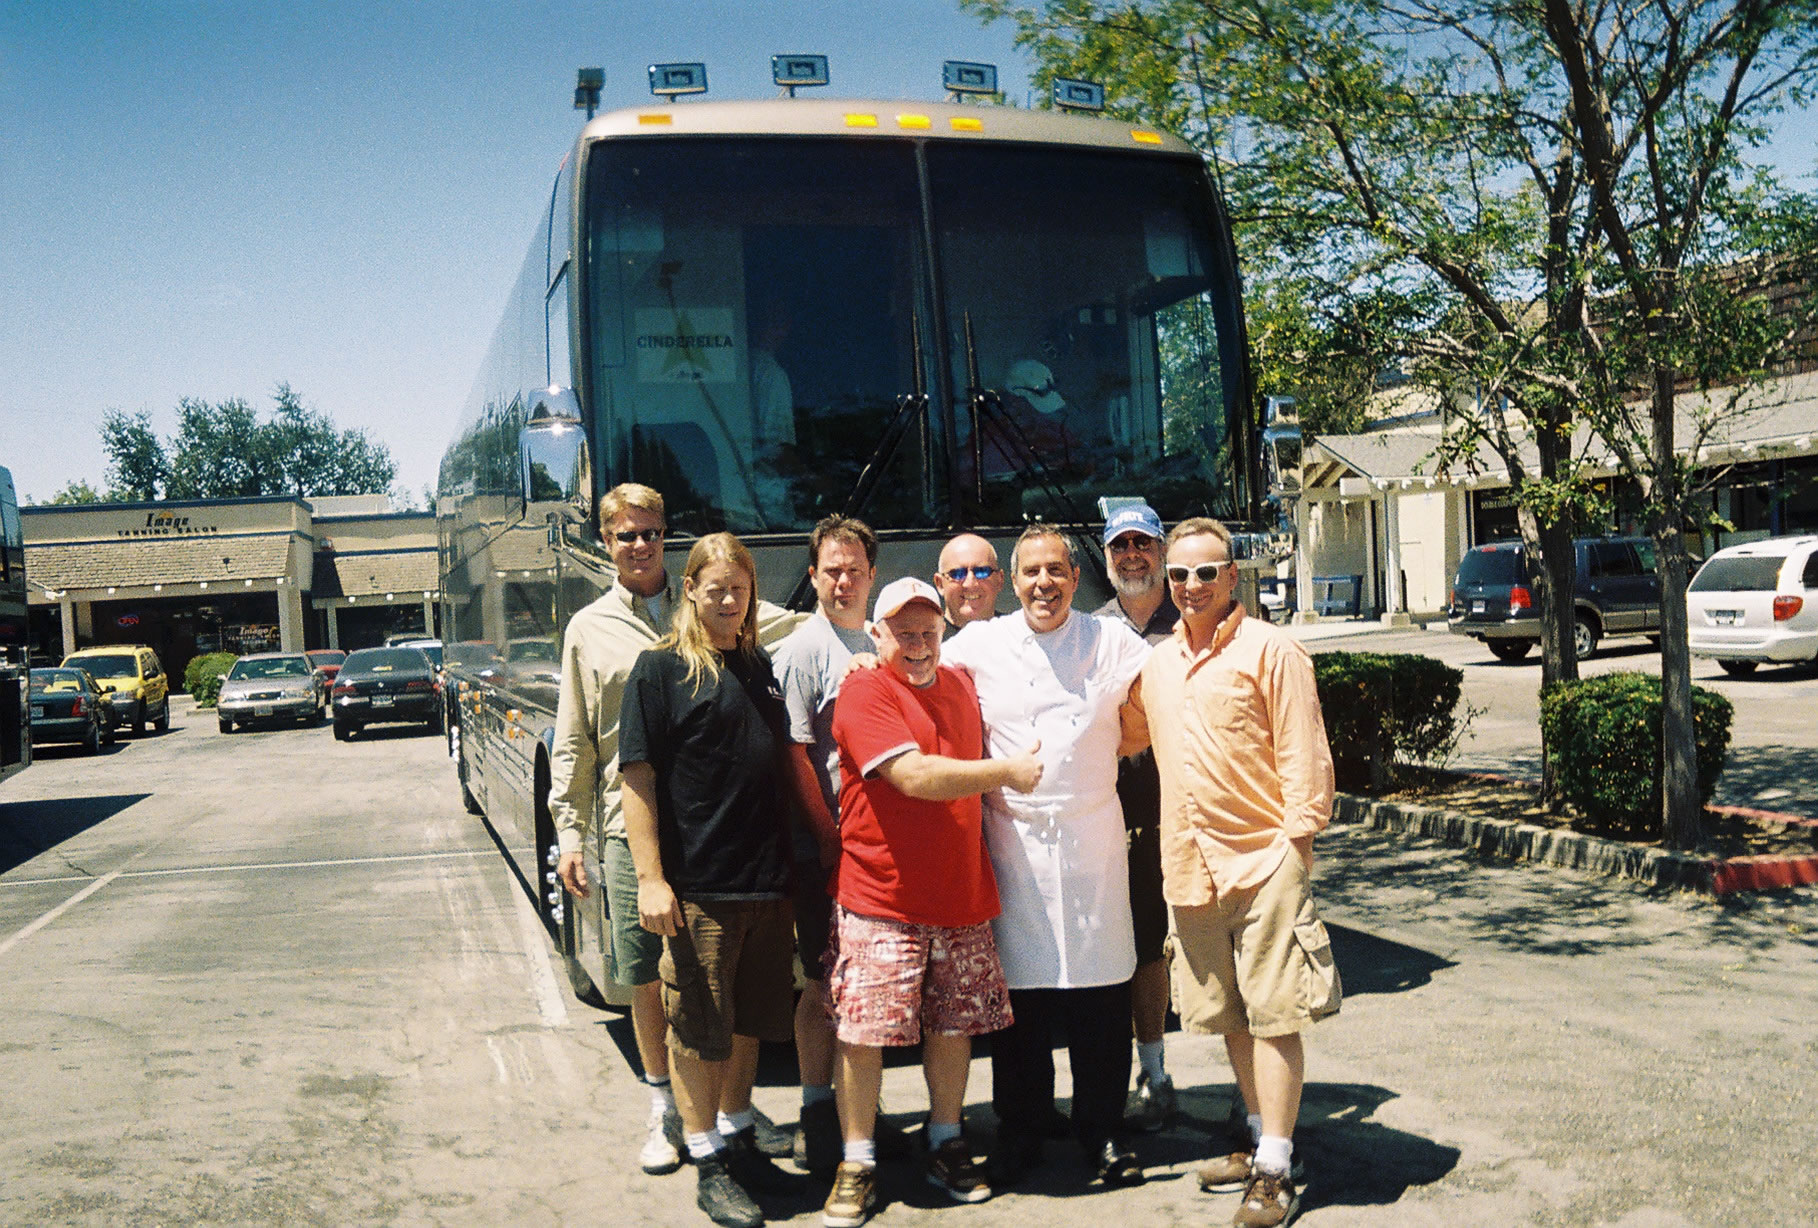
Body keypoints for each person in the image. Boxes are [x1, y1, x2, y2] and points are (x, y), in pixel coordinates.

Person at [548, 486, 795, 1184]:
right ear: (606, 542)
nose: (640, 546)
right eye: (626, 535)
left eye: (651, 533)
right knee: (649, 976)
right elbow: (575, 738)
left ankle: (727, 1112)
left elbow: (797, 624)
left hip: (712, 833)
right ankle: (664, 1105)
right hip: (630, 823)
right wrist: (571, 832)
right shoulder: (589, 628)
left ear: (667, 539)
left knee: (718, 982)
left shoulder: (713, 606)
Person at [1120, 518, 1342, 1228]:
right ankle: (1259, 1136)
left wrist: (1295, 853)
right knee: (1233, 1016)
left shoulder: (1272, 650)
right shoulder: (1157, 666)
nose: (1191, 586)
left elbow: (1305, 756)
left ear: (1232, 576)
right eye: (1178, 574)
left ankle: (1276, 1169)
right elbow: (1119, 733)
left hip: (1263, 861)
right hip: (1191, 868)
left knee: (1276, 1016)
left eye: (1205, 572)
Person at [820, 577, 1041, 1228]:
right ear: (876, 635)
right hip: (880, 899)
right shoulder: (863, 690)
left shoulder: (963, 682)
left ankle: (946, 1140)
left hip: (961, 895)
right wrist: (1007, 773)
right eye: (903, 633)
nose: (918, 645)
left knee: (952, 1026)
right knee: (863, 1034)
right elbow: (912, 775)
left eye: (928, 631)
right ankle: (857, 1161)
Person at [940, 526, 1152, 1189]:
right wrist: (868, 662)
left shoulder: (1110, 639)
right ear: (1014, 580)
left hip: (1093, 842)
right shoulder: (981, 642)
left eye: (1056, 570)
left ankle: (1103, 1130)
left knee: (1103, 1000)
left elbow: (1166, 683)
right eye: (1031, 571)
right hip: (1016, 847)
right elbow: (913, 665)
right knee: (1020, 1007)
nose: (1044, 584)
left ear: (1074, 578)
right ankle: (1022, 1130)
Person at [620, 532, 805, 1228]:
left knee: (748, 1024)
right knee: (699, 1032)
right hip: (701, 889)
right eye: (717, 588)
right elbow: (637, 779)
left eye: (740, 589)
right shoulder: (660, 669)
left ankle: (738, 1135)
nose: (729, 600)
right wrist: (651, 879)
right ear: (691, 589)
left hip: (767, 884)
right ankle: (707, 1160)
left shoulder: (758, 666)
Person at [770, 515, 878, 1178]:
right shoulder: (803, 650)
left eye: (854, 571)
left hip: (874, 851)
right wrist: (827, 838)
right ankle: (816, 1114)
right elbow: (795, 753)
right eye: (831, 571)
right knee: (820, 982)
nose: (843, 582)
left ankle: (860, 1115)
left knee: (864, 988)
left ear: (871, 575)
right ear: (812, 576)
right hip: (826, 851)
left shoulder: (879, 638)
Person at [1094, 503, 1179, 1131]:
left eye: (1142, 543)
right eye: (1120, 545)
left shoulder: (1196, 618)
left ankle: (1245, 1095)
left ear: (1161, 549)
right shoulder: (1089, 631)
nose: (1132, 556)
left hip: (1185, 808)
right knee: (1126, 945)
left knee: (1202, 948)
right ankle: (1134, 1078)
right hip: (1107, 812)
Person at [932, 533, 1004, 631]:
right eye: (958, 574)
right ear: (940, 584)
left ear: (999, 580)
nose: (970, 584)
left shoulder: (1018, 634)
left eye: (982, 572)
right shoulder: (926, 639)